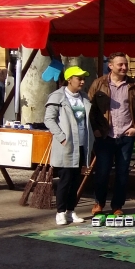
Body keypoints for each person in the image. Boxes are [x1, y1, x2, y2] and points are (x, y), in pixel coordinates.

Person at [89, 52, 135, 217]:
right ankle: (99, 203)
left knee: (122, 173)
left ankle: (117, 206)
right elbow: (91, 109)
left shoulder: (134, 85)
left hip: (126, 136)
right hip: (105, 136)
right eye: (120, 65)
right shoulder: (99, 84)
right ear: (110, 66)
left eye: (125, 64)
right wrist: (95, 128)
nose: (124, 67)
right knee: (102, 172)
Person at [44, 66, 94, 226]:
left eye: (83, 78)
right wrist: (62, 137)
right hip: (66, 145)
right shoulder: (57, 97)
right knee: (65, 180)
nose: (82, 81)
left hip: (81, 144)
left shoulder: (84, 98)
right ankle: (60, 212)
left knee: (75, 180)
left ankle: (71, 211)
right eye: (79, 78)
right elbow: (49, 119)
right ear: (69, 79)